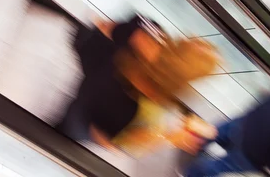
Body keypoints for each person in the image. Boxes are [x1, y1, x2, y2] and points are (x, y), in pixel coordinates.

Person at [55, 15, 219, 154]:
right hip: (80, 118)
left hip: (82, 63)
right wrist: (168, 137)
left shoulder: (145, 32)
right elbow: (115, 143)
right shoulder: (151, 106)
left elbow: (102, 26)